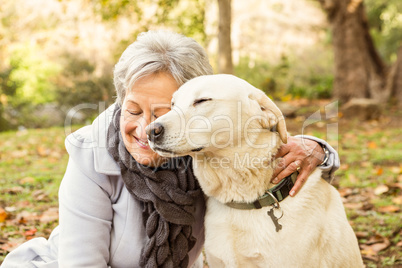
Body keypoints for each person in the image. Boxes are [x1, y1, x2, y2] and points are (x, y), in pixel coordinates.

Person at [1, 30, 339, 268]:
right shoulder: (92, 155)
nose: (147, 128)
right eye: (132, 110)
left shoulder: (204, 149)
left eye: (163, 113)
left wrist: (318, 149)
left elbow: (259, 143)